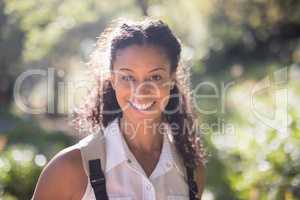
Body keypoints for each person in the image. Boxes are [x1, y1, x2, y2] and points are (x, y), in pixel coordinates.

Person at [32, 17, 206, 200]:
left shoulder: (193, 171)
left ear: (172, 79)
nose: (141, 91)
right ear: (113, 79)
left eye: (155, 77)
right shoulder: (69, 168)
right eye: (127, 77)